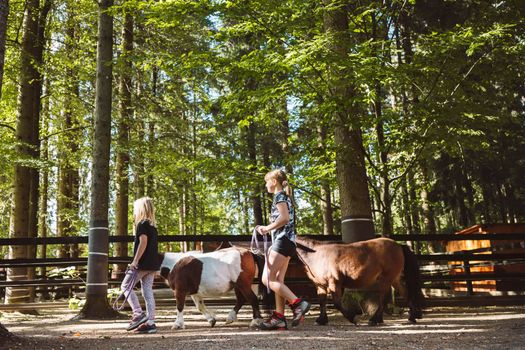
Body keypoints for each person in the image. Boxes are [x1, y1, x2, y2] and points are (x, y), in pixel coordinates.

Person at [257, 169, 310, 330]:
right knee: (277, 281)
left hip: (282, 241)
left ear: (274, 182)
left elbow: (284, 218)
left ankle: (297, 303)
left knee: (267, 279)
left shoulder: (279, 196)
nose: (266, 184)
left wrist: (266, 228)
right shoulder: (285, 196)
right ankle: (279, 317)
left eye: (267, 181)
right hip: (288, 243)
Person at [122, 197, 160, 334]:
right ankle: (151, 322)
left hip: (142, 264)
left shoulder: (141, 224)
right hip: (152, 265)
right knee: (147, 292)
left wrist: (135, 261)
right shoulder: (153, 227)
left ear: (140, 209)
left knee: (125, 286)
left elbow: (143, 242)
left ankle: (138, 313)